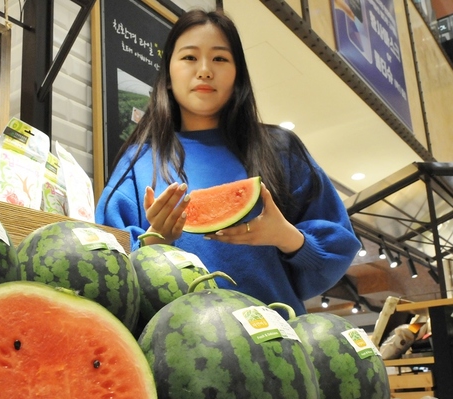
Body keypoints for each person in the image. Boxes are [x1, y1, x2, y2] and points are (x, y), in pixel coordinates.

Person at [95, 9, 361, 317]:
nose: (205, 70)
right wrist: (154, 243)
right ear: (167, 76)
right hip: (176, 348)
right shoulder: (138, 163)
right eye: (189, 58)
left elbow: (336, 249)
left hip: (277, 343)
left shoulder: (279, 150)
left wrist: (286, 236)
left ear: (238, 78)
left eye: (220, 59)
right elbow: (110, 266)